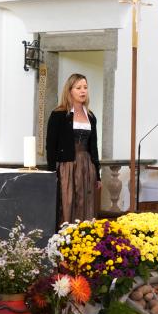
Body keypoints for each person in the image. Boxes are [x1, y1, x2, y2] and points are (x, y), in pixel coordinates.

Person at [46, 73, 102, 227]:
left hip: (87, 166)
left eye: (85, 87)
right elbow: (51, 146)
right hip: (67, 166)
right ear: (69, 90)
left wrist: (98, 175)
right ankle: (65, 238)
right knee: (67, 203)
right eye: (78, 88)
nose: (83, 91)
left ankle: (84, 237)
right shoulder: (58, 115)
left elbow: (94, 146)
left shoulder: (91, 116)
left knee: (86, 203)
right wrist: (52, 173)